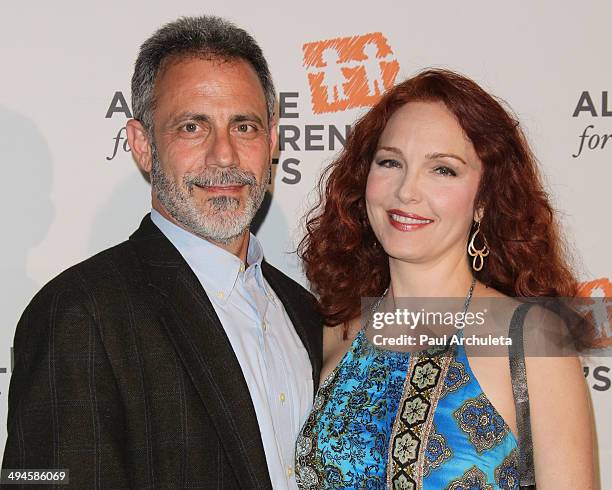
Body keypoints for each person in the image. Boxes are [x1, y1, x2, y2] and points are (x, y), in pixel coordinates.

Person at [3, 16, 322, 489]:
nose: (225, 156)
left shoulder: (305, 311)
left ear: (273, 140)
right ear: (142, 145)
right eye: (193, 127)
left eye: (245, 126)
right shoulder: (79, 314)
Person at [295, 69, 595, 488]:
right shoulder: (338, 328)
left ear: (484, 201)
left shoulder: (531, 338)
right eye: (390, 162)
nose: (406, 192)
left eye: (443, 170)